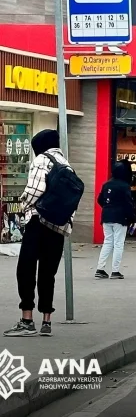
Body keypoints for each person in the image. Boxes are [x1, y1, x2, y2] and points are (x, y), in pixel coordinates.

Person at [3, 130, 74, 337]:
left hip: (39, 221)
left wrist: (23, 205)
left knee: (25, 268)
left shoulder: (43, 159)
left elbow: (34, 190)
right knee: (47, 273)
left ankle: (27, 319)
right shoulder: (66, 164)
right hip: (58, 225)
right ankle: (46, 321)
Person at [95, 160, 136, 279]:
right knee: (118, 243)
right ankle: (115, 270)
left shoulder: (106, 184)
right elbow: (128, 204)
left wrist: (108, 208)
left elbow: (100, 200)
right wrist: (132, 217)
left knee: (107, 242)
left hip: (106, 216)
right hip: (120, 217)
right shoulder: (124, 186)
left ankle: (100, 268)